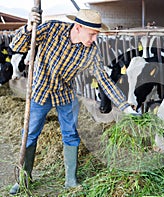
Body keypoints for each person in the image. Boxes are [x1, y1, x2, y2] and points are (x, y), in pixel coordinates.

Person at [9, 8, 138, 195]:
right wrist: (29, 28)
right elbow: (17, 45)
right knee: (29, 134)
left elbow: (103, 80)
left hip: (65, 95)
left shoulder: (91, 51)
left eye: (96, 35)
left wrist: (126, 107)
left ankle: (71, 180)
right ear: (78, 27)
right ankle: (23, 179)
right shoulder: (52, 29)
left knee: (70, 134)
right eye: (92, 34)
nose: (94, 39)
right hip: (39, 92)